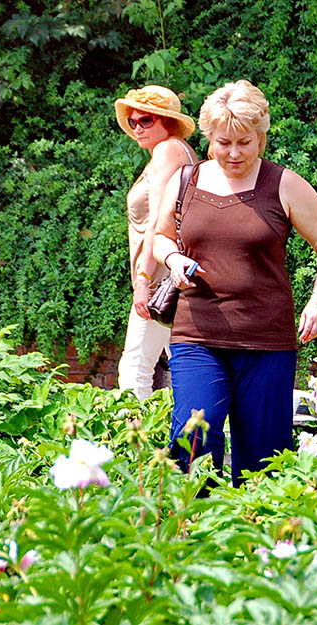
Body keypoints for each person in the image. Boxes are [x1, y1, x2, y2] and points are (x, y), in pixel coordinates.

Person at [153, 80, 317, 486]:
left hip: (266, 341)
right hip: (197, 334)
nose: (234, 153)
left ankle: (259, 545)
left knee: (264, 461)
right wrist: (172, 259)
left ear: (261, 137)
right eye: (224, 142)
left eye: (245, 142)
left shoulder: (284, 184)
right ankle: (188, 536)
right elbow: (160, 236)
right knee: (192, 443)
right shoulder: (185, 181)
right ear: (209, 138)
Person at [114, 85, 198, 401]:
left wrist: (143, 280)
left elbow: (159, 223)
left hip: (162, 275)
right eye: (133, 121)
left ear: (167, 121)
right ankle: (187, 440)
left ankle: (137, 442)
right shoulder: (176, 152)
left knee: (134, 368)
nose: (137, 127)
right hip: (172, 272)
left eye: (146, 120)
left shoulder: (167, 150)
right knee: (185, 364)